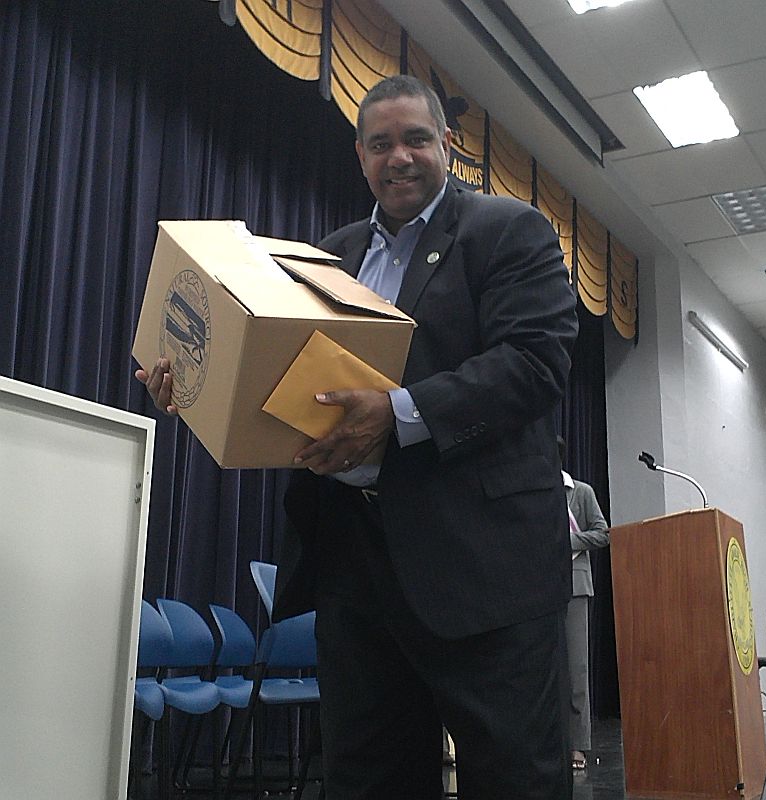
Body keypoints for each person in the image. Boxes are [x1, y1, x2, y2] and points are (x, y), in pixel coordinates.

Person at [137, 75, 578, 799]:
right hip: (354, 563)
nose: (397, 158)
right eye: (380, 145)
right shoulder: (324, 256)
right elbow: (275, 378)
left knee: (513, 775)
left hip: (480, 564)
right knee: (366, 775)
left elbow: (534, 363)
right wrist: (196, 383)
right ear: (360, 156)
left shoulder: (508, 228)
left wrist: (398, 412)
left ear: (447, 144)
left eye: (414, 140)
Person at [556, 435, 609, 773]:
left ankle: (578, 745)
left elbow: (603, 533)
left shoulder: (581, 492)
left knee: (576, 669)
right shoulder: (532, 494)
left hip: (575, 586)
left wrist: (566, 541)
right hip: (537, 588)